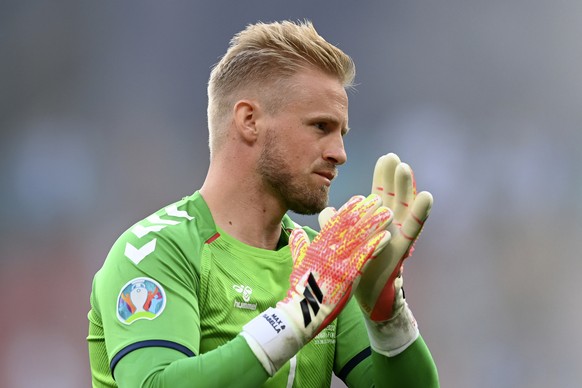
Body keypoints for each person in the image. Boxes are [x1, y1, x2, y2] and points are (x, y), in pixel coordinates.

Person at [87, 20, 439, 387]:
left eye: (341, 133)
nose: (340, 153)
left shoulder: (323, 262)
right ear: (249, 120)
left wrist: (387, 315)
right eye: (321, 126)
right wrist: (296, 318)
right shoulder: (155, 252)